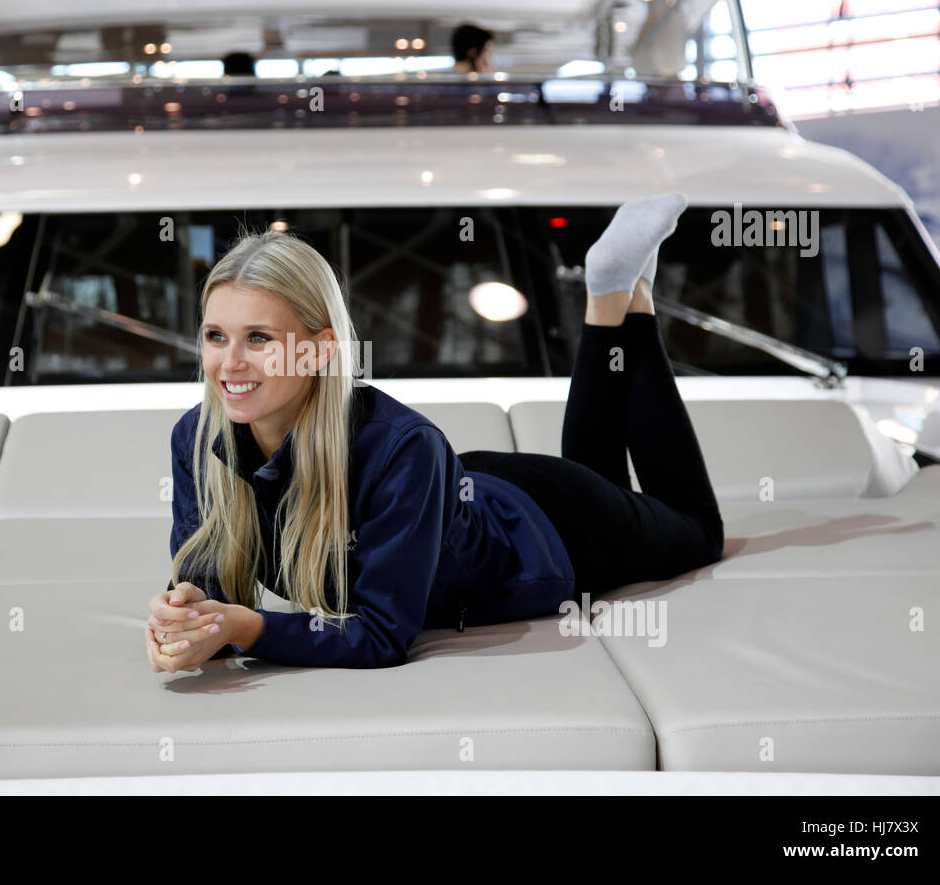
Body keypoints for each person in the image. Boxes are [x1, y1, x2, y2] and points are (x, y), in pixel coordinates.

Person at [146, 193, 725, 671]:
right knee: (603, 476)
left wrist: (250, 627)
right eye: (216, 336)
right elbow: (210, 592)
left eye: (260, 339)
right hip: (455, 489)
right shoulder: (198, 439)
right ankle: (616, 286)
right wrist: (187, 617)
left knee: (696, 530)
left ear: (320, 351)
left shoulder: (400, 447)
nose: (230, 363)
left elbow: (380, 635)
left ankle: (621, 298)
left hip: (555, 525)